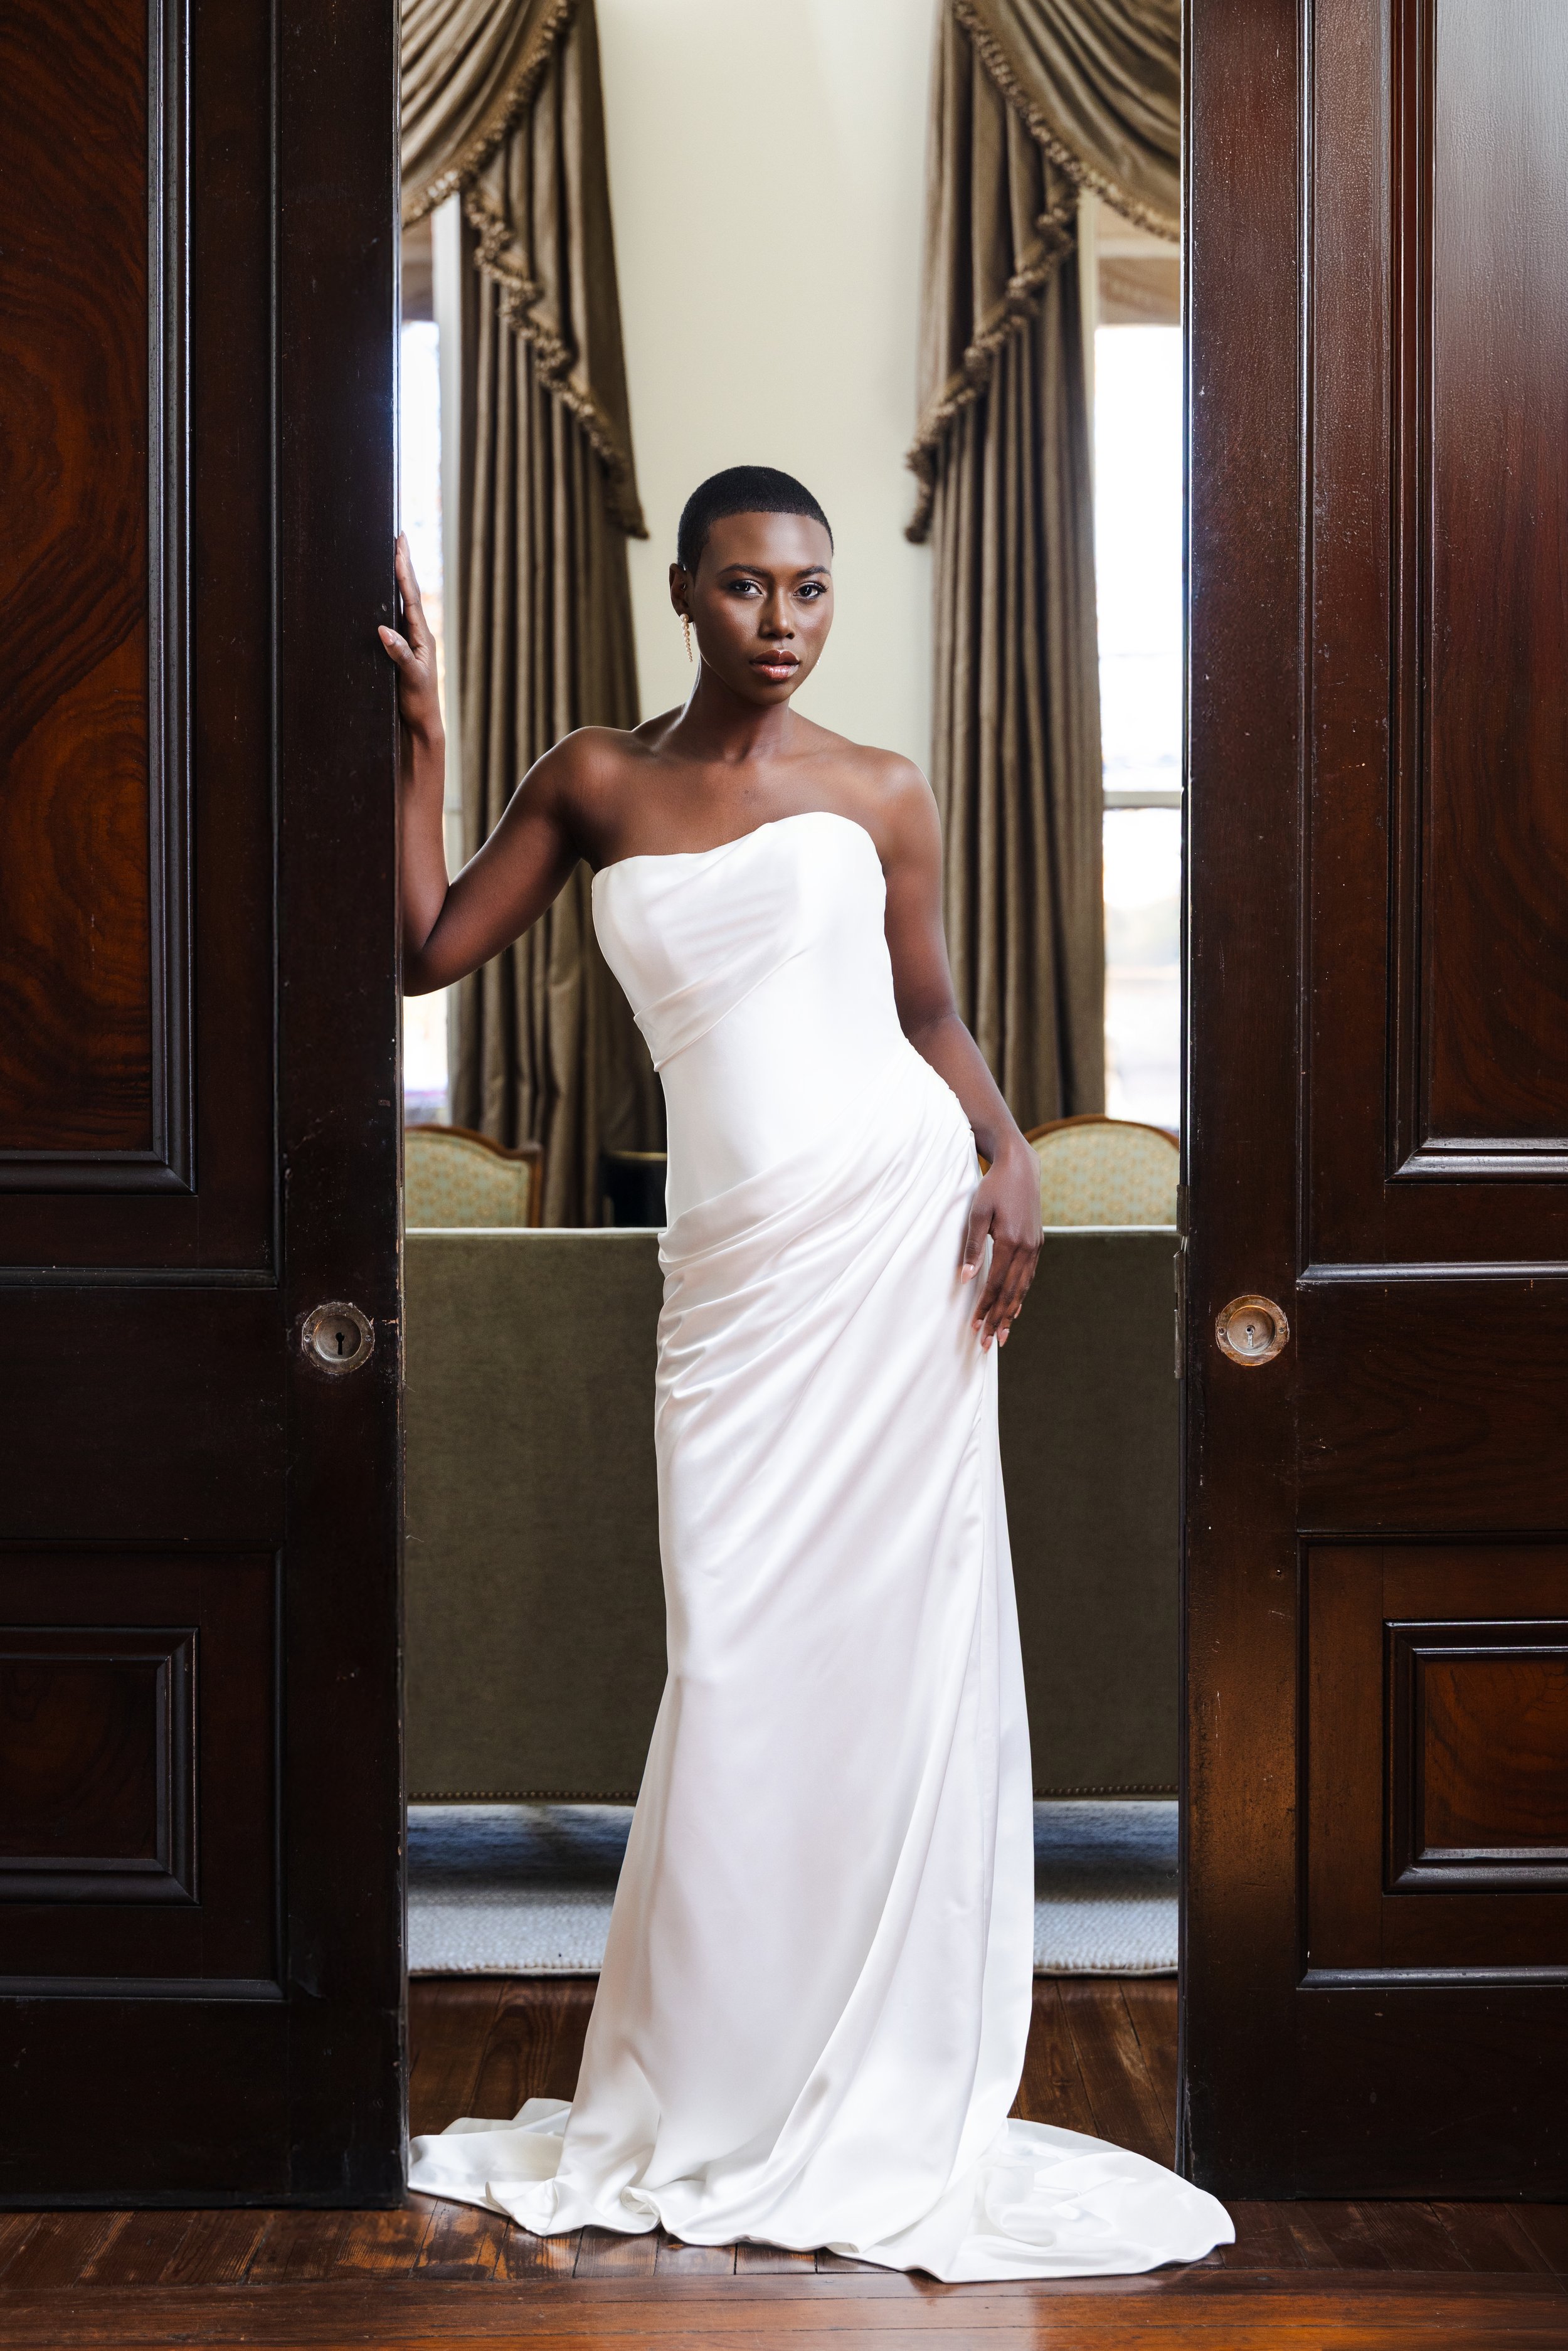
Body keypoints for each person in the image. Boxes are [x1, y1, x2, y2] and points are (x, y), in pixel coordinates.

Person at [381, 465, 1231, 2279]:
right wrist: (426, 738)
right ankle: (720, 2067)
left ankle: (872, 2066)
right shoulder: (594, 779)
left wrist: (1004, 1150)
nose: (785, 623)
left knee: (891, 1663)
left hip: (893, 1247)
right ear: (684, 593)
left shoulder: (882, 791)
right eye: (750, 588)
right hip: (735, 1284)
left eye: (814, 591)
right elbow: (423, 948)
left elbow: (927, 1014)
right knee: (738, 1650)